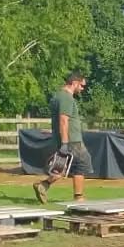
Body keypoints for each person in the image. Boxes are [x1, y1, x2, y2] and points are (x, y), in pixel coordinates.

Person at [34, 73, 93, 204]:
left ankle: (43, 185)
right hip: (71, 140)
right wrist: (65, 143)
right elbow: (63, 120)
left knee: (62, 167)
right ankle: (79, 197)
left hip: (66, 139)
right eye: (82, 85)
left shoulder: (57, 96)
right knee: (81, 164)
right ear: (75, 83)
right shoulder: (66, 98)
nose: (82, 88)